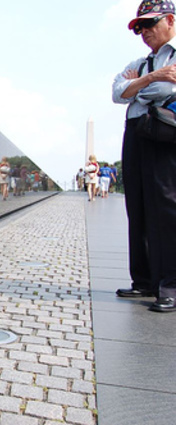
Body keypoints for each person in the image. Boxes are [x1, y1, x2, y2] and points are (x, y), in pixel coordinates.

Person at [112, 0, 176, 312]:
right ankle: (145, 280)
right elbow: (116, 93)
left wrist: (134, 88)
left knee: (166, 207)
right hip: (136, 132)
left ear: (170, 20)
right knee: (136, 206)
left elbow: (162, 94)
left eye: (150, 23)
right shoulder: (141, 63)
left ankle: (171, 285)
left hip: (165, 132)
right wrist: (151, 78)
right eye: (140, 27)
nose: (145, 31)